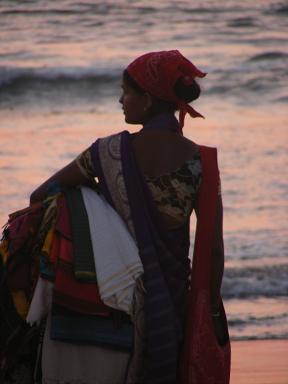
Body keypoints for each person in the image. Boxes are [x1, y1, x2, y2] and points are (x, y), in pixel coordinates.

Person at [26, 50, 230, 384]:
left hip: (113, 303)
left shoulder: (105, 153)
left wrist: (85, 205)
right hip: (174, 308)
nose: (121, 100)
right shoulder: (202, 162)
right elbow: (214, 251)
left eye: (126, 92)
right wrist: (209, 312)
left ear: (147, 100)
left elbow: (41, 196)